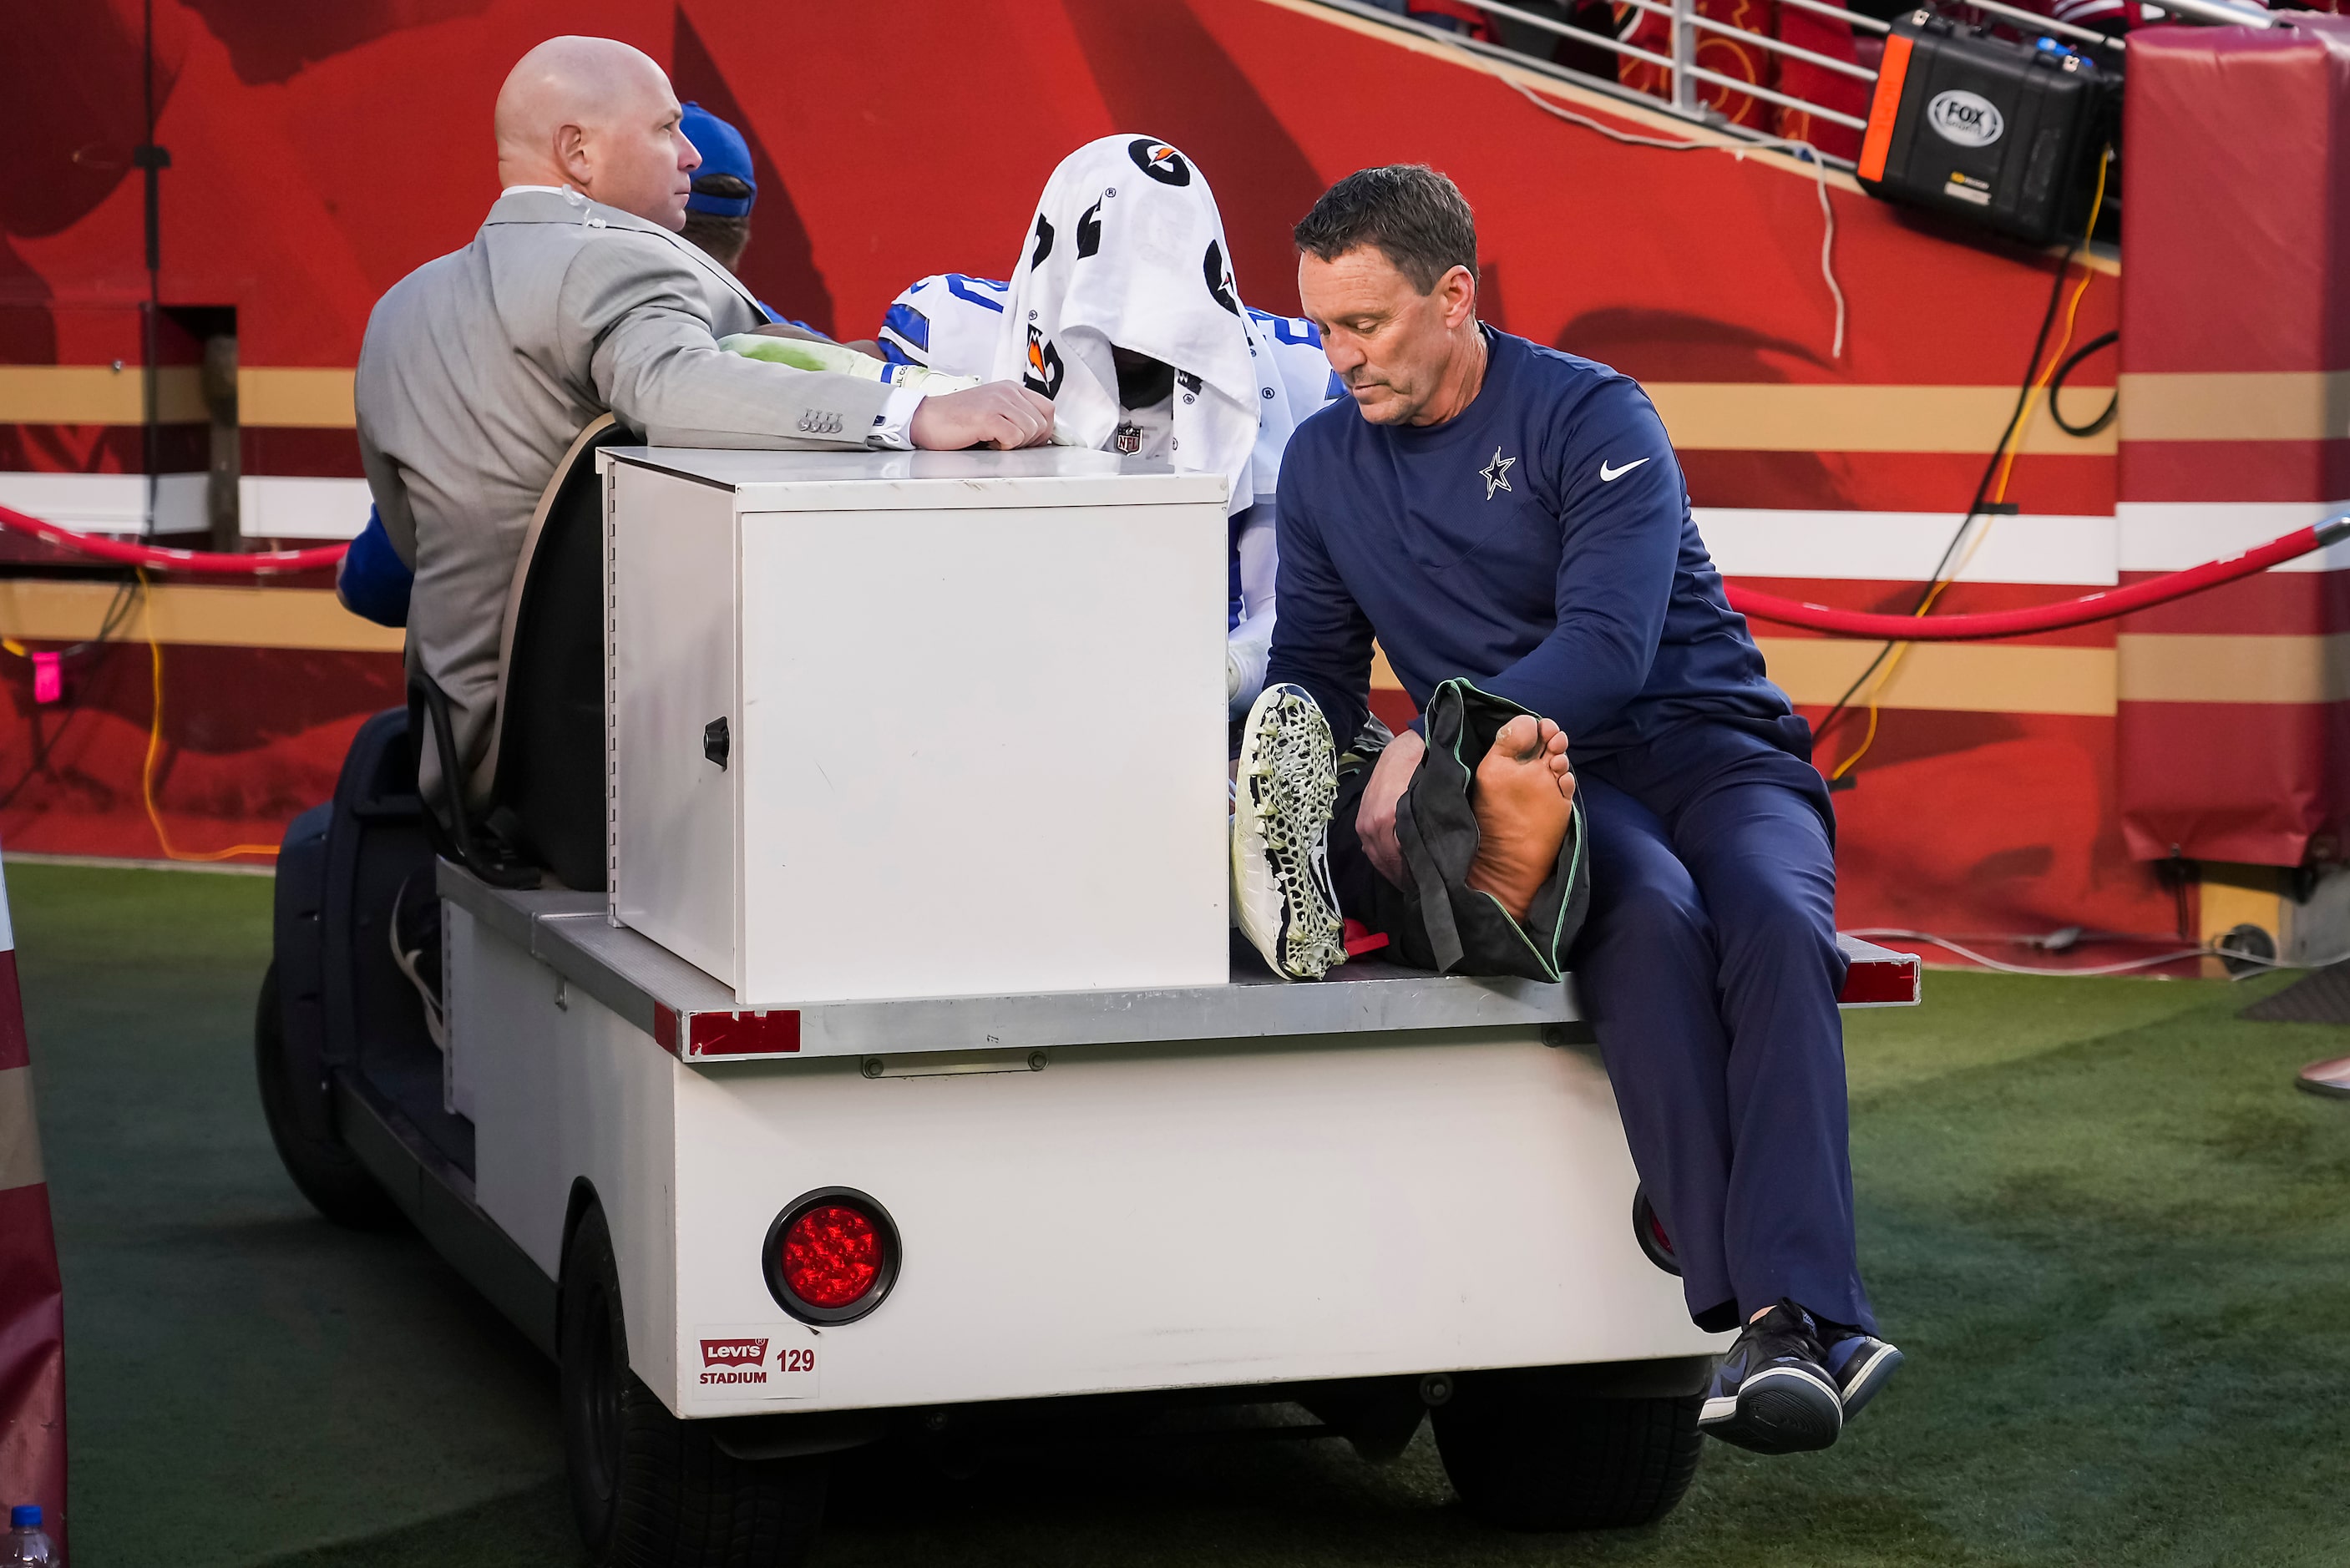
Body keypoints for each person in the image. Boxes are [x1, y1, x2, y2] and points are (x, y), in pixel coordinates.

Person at [1249, 164, 1902, 1456]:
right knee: (1648, 921)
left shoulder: (1594, 412)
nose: (1338, 359)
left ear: (1453, 296)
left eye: (1363, 324)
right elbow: (1314, 683)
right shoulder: (1321, 463)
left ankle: (1786, 1314)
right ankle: (1783, 1317)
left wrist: (1424, 741)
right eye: (1321, 325)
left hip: (1712, 749)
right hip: (1557, 781)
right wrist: (1291, 785)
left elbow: (1604, 649)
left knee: (1771, 918)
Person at [355, 35, 1052, 814]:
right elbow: (672, 383)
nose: (689, 154)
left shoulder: (399, 309)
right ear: (576, 153)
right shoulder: (610, 260)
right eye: (665, 129)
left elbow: (404, 550)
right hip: (601, 767)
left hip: (463, 764)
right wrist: (916, 413)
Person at [874, 136, 1342, 721]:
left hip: (1197, 707)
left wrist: (1221, 675)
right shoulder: (946, 330)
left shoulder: (1296, 375)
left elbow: (1285, 603)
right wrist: (920, 406)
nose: (1136, 324)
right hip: (986, 681)